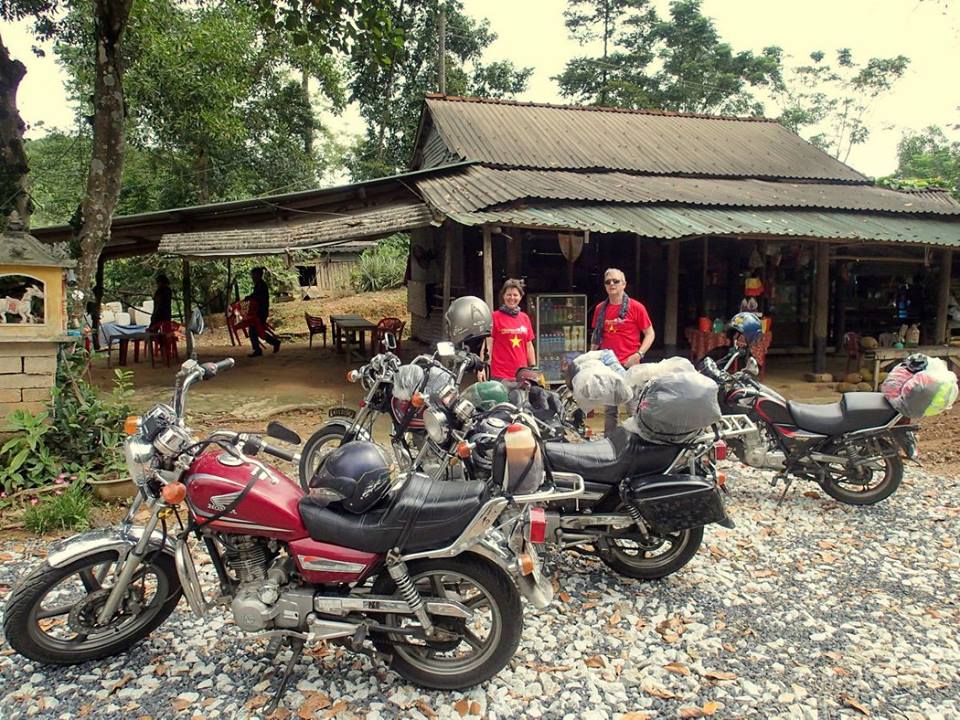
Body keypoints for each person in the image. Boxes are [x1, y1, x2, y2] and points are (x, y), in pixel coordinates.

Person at [590, 267, 655, 435]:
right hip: (608, 366)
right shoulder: (600, 309)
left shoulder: (636, 307)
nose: (612, 284)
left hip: (630, 365)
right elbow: (597, 337)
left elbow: (650, 333)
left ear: (624, 284)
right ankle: (609, 443)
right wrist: (591, 358)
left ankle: (637, 443)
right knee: (610, 410)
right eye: (608, 282)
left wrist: (639, 354)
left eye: (616, 281)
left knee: (633, 407)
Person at [478, 279, 536, 383]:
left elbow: (529, 345)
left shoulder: (525, 318)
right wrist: (481, 368)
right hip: (499, 375)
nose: (512, 298)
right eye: (509, 294)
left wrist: (534, 368)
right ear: (503, 296)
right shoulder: (494, 317)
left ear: (520, 297)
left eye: (515, 295)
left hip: (521, 375)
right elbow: (487, 346)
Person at [244, 267, 281, 357]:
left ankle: (260, 349)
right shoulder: (258, 285)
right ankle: (273, 343)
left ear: (258, 275)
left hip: (261, 312)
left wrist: (250, 297)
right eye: (252, 275)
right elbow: (255, 295)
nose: (252, 277)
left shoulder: (261, 285)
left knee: (254, 330)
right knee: (256, 330)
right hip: (259, 311)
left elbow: (258, 297)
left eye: (254, 275)